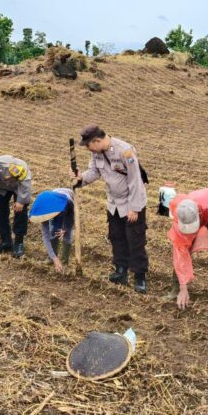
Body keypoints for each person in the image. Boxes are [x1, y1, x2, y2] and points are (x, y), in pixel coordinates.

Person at [71, 125, 149, 294]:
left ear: (97, 141)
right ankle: (121, 270)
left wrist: (134, 208)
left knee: (135, 240)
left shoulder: (125, 151)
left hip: (131, 203)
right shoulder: (96, 153)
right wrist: (80, 178)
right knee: (116, 237)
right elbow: (94, 172)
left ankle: (139, 277)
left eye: (89, 145)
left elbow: (136, 180)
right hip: (114, 203)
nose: (88, 149)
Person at [166, 187, 208, 310]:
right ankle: (176, 288)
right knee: (181, 247)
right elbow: (180, 252)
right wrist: (183, 288)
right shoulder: (180, 213)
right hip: (198, 211)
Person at [29, 189, 75, 272]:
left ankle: (64, 261)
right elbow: (45, 237)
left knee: (67, 234)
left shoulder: (68, 201)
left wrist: (65, 230)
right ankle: (52, 258)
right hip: (55, 205)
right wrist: (54, 258)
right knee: (54, 231)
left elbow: (71, 219)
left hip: (67, 206)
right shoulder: (44, 210)